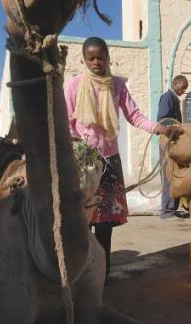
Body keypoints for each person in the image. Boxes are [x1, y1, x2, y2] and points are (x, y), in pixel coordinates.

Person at [66, 37, 180, 274]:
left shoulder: (117, 85)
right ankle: (84, 273)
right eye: (91, 58)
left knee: (105, 223)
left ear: (108, 58)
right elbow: (66, 122)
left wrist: (161, 128)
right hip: (84, 164)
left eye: (101, 57)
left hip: (109, 161)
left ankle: (103, 273)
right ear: (84, 60)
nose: (97, 62)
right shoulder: (74, 85)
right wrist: (77, 143)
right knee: (82, 221)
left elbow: (134, 116)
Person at [157, 74, 188, 218]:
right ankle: (167, 211)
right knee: (168, 175)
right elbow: (163, 119)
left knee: (175, 174)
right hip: (167, 141)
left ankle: (173, 208)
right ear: (177, 84)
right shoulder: (167, 97)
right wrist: (175, 127)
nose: (184, 91)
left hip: (174, 142)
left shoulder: (174, 99)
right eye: (183, 88)